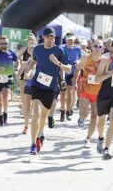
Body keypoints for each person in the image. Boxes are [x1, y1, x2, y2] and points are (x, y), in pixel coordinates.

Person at [24, 27, 71, 155]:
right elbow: (33, 61)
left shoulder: (59, 50)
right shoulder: (37, 49)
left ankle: (39, 136)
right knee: (36, 112)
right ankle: (33, 144)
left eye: (52, 37)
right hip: (37, 84)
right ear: (43, 37)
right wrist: (28, 71)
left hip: (50, 87)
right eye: (48, 37)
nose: (50, 39)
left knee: (44, 116)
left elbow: (68, 69)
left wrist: (58, 63)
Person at [75, 39, 103, 148]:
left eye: (100, 47)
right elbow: (78, 67)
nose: (97, 48)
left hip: (98, 92)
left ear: (102, 48)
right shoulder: (86, 57)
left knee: (94, 116)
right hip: (85, 89)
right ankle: (81, 118)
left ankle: (88, 138)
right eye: (95, 46)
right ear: (92, 47)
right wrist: (78, 63)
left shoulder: (104, 60)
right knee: (84, 113)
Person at [0, 36, 18, 126]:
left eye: (5, 43)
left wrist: (16, 69)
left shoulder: (12, 53)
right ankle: (0, 116)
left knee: (5, 98)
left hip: (8, 78)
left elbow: (18, 62)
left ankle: (5, 114)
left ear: (8, 44)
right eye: (2, 43)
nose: (4, 45)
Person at [59, 32, 82, 122]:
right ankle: (62, 110)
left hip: (72, 73)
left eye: (71, 40)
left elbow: (82, 57)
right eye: (68, 40)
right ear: (66, 40)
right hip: (62, 72)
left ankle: (68, 111)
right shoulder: (61, 48)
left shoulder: (77, 49)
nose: (70, 42)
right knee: (63, 92)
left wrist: (78, 61)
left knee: (70, 93)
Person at [17, 33, 36, 116]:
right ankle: (24, 108)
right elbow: (18, 60)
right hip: (23, 72)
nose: (31, 44)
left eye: (32, 42)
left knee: (31, 92)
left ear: (34, 42)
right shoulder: (23, 50)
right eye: (29, 42)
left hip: (32, 73)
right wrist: (18, 67)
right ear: (27, 42)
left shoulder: (36, 50)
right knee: (22, 92)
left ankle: (30, 109)